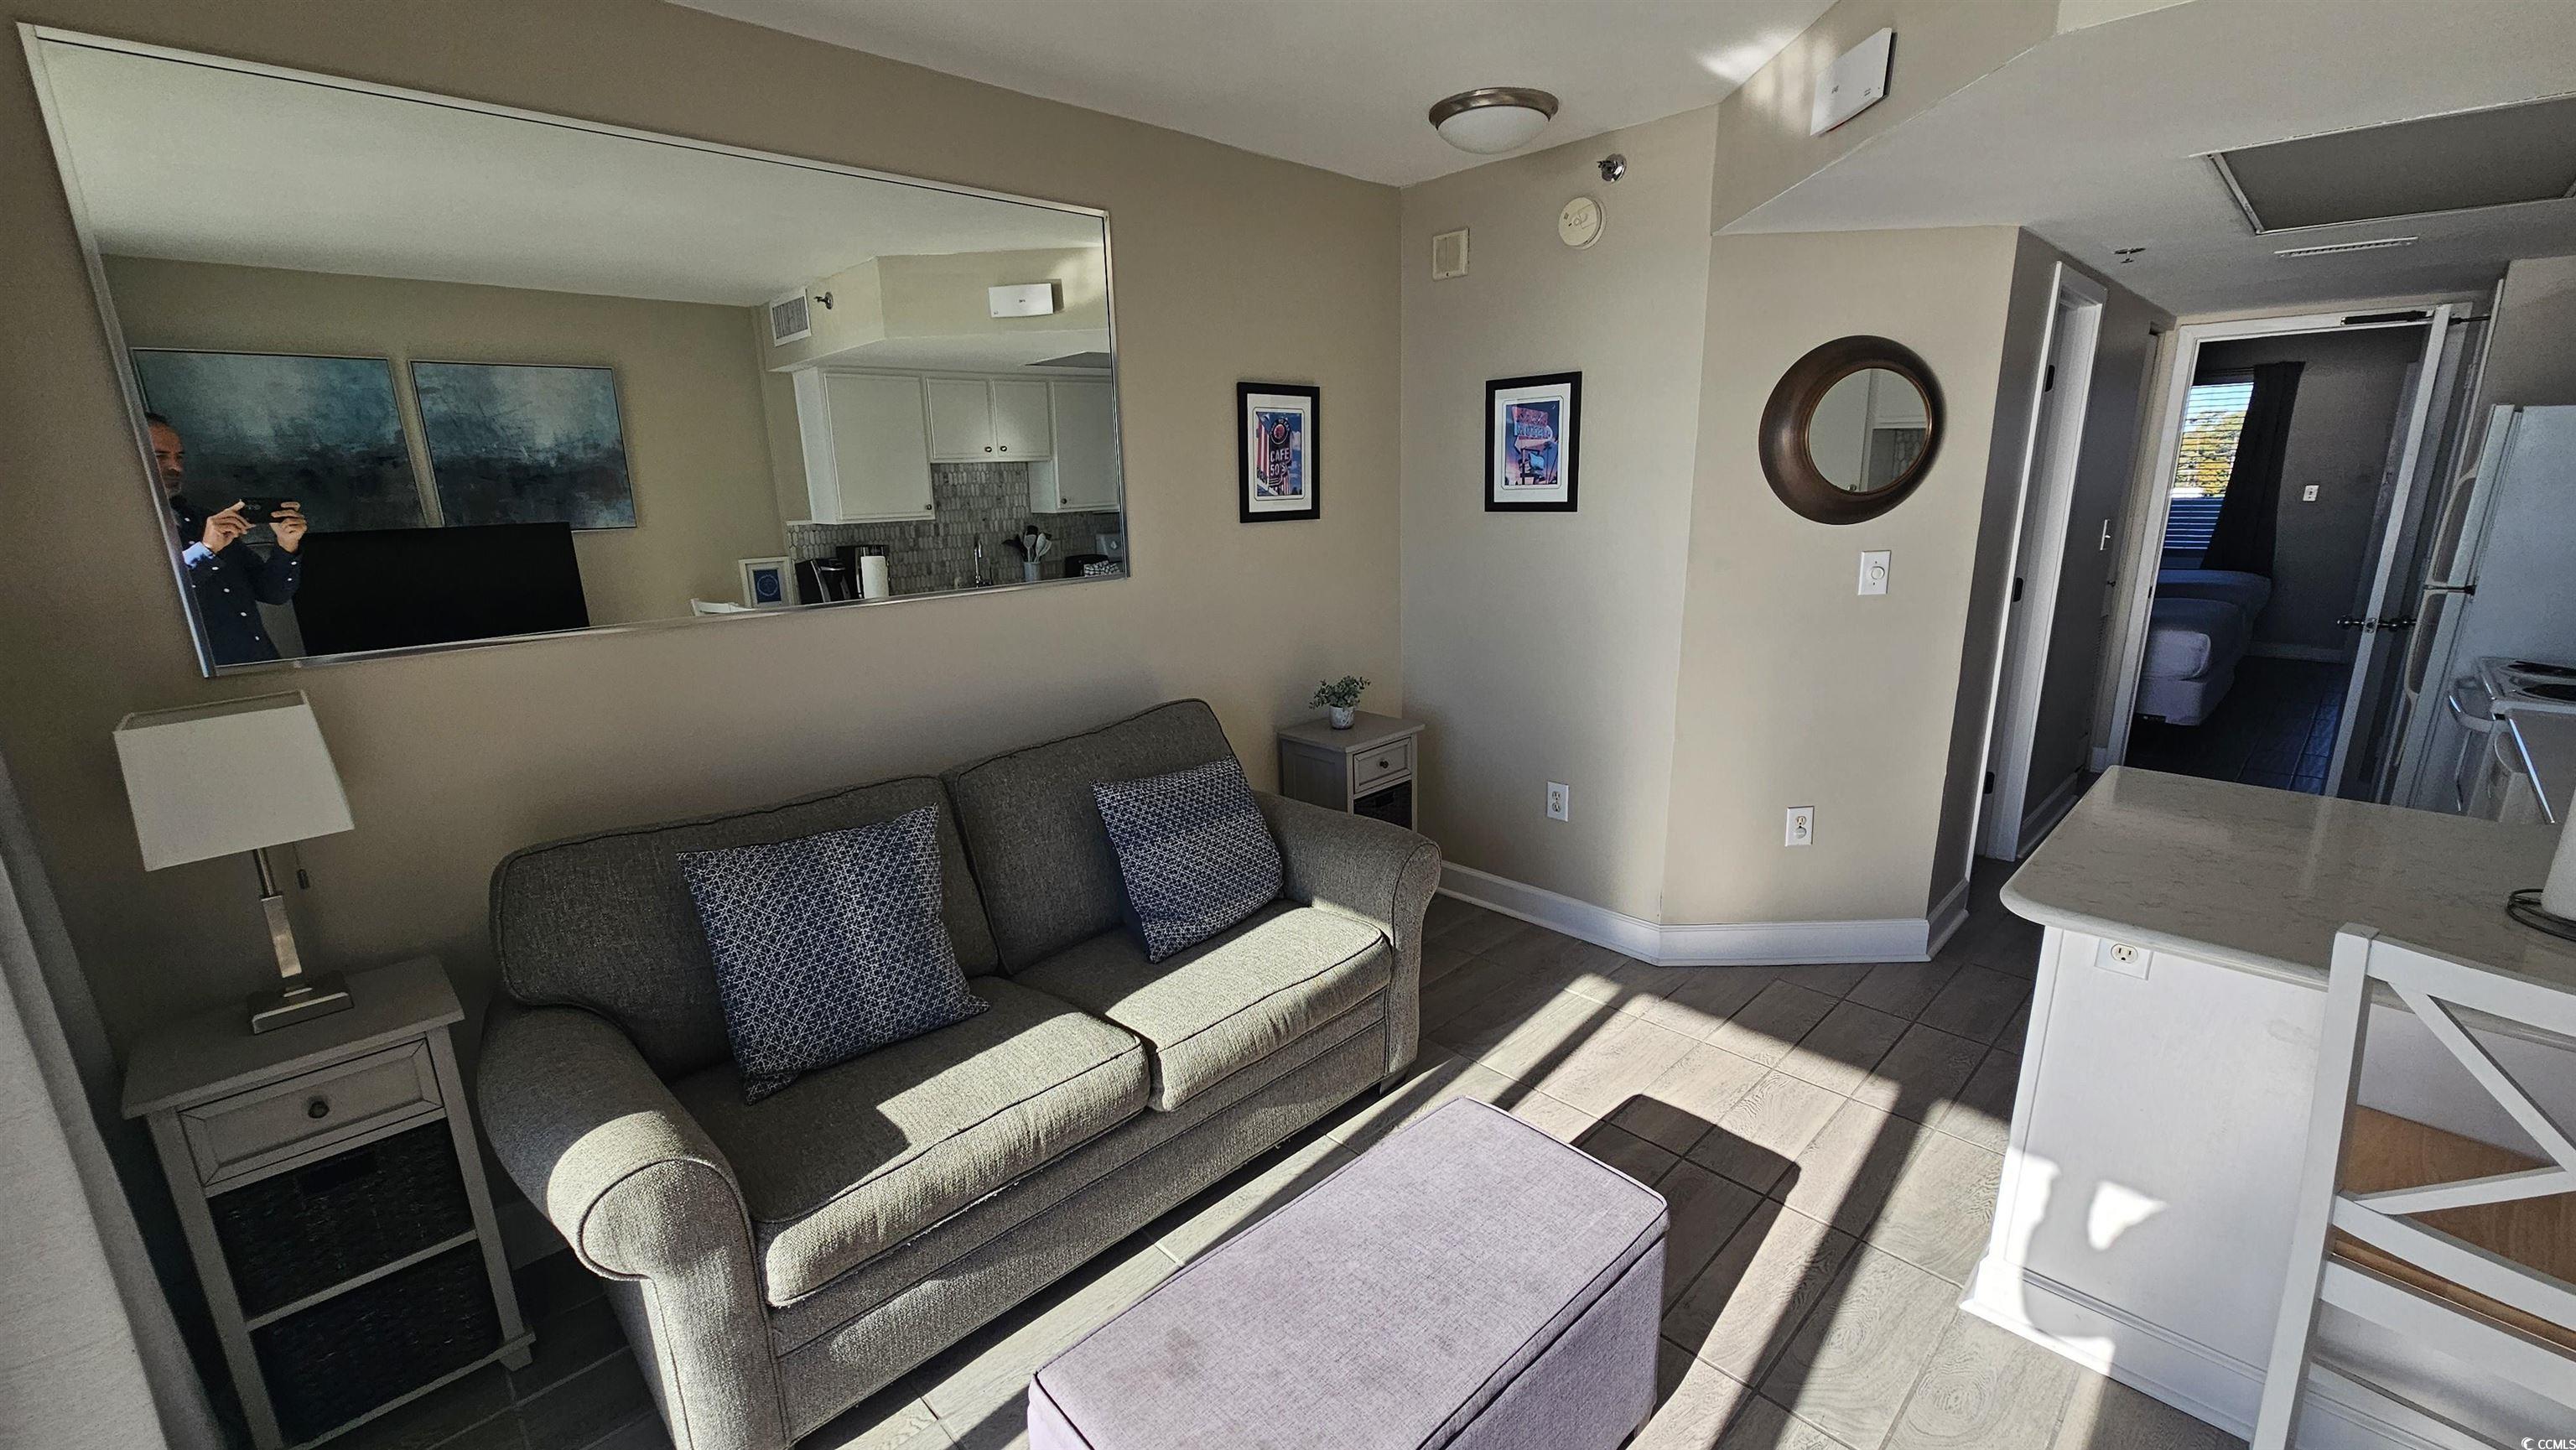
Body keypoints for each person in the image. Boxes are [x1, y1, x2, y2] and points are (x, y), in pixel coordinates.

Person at [147, 412, 308, 664]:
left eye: (179, 457)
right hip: (198, 682)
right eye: (160, 456)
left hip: (263, 664)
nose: (176, 467)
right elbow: (152, 602)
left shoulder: (203, 519)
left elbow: (274, 593)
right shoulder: (120, 531)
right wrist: (205, 550)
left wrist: (287, 546)